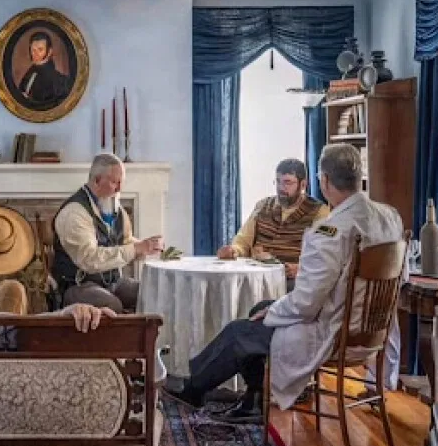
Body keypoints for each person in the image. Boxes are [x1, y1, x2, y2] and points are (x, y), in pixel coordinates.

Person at [162, 143, 402, 424]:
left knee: (241, 331)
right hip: (372, 330)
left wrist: (274, 312)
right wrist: (272, 308)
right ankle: (254, 399)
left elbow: (306, 303)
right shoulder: (390, 217)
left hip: (334, 334)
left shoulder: (330, 230)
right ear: (358, 175)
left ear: (322, 180)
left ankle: (193, 389)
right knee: (260, 310)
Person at [52, 153, 163, 313]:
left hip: (112, 282)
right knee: (112, 305)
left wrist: (149, 247)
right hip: (78, 285)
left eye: (121, 182)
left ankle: (147, 337)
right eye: (114, 182)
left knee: (154, 294)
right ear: (97, 180)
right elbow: (89, 259)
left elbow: (124, 242)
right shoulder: (74, 213)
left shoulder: (115, 208)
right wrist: (136, 249)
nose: (120, 189)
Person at [217, 158, 329, 291]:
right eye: (278, 181)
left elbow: (323, 256)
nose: (281, 188)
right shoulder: (262, 206)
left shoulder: (320, 212)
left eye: (287, 183)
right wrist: (233, 251)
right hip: (257, 278)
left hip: (291, 282)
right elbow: (243, 241)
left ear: (303, 185)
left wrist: (300, 268)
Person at [17, 31, 71, 109]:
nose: (35, 54)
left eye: (40, 49)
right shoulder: (30, 72)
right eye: (33, 50)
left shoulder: (58, 80)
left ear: (49, 52)